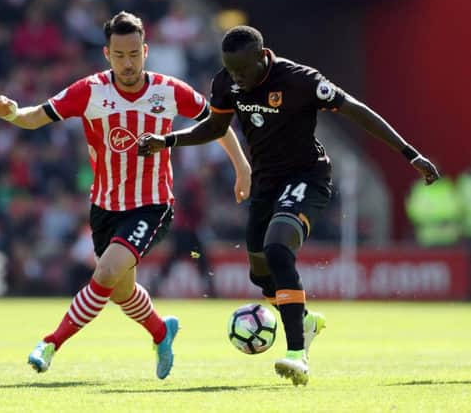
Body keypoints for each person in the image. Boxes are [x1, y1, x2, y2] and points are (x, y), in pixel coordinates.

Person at [138, 25, 440, 386]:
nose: (237, 79)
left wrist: (411, 154)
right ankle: (307, 322)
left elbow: (356, 110)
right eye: (231, 71)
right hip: (266, 185)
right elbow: (215, 127)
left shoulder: (299, 80)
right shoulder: (227, 82)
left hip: (307, 178)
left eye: (243, 71)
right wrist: (168, 140)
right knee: (260, 274)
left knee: (278, 249)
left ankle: (297, 353)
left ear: (263, 57)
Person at [0, 12, 251, 380]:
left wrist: (242, 167)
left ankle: (49, 344)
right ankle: (161, 331)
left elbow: (217, 124)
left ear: (145, 51)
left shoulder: (168, 91)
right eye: (120, 55)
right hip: (105, 207)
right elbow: (36, 116)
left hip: (153, 204)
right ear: (107, 54)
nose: (128, 63)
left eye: (134, 54)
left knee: (107, 271)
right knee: (119, 290)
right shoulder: (89, 91)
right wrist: (12, 112)